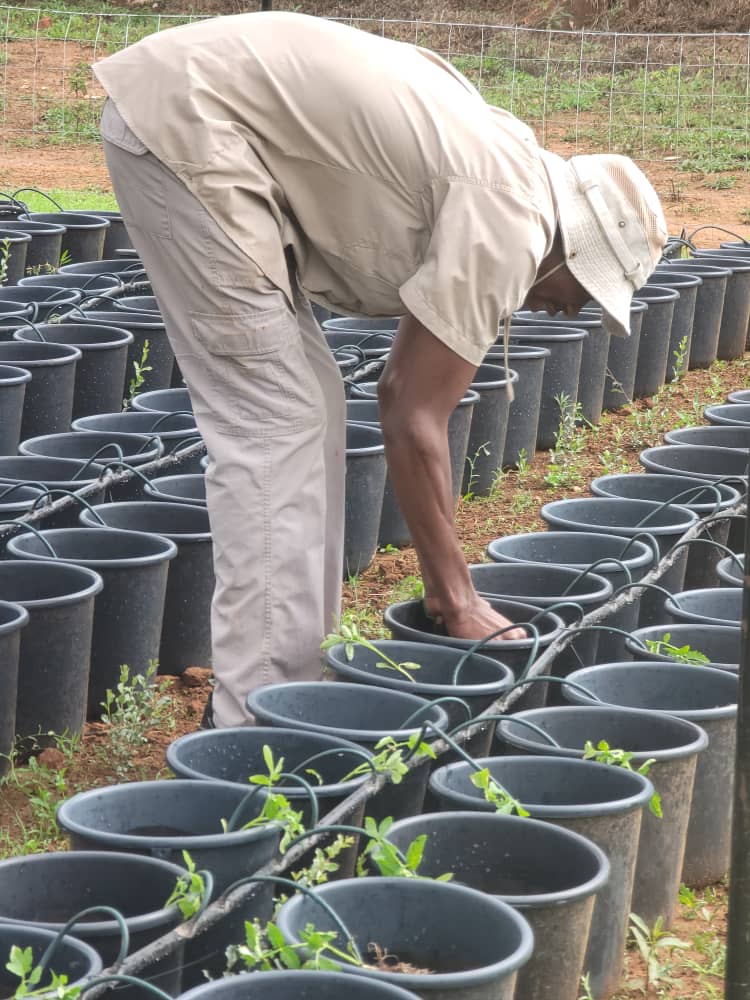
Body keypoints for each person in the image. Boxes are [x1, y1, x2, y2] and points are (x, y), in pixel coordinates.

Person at [92, 12, 668, 729]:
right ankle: (255, 724)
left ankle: (289, 678)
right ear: (571, 253)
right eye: (583, 293)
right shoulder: (511, 222)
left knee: (313, 404)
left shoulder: (513, 176)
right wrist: (454, 596)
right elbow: (411, 413)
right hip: (188, 122)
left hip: (195, 105)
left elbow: (401, 388)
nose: (569, 309)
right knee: (276, 425)